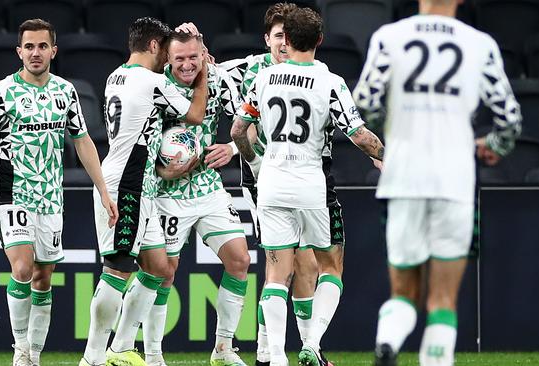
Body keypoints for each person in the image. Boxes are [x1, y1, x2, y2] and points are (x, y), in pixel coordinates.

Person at [351, 0, 522, 364]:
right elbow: (509, 119)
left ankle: (388, 341)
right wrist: (492, 145)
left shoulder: (389, 37)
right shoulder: (479, 43)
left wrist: (396, 127)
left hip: (403, 177)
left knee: (402, 294)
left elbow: (363, 101)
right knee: (443, 300)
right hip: (454, 179)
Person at [232, 7, 385, 366]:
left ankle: (276, 358)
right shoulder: (329, 81)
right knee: (330, 265)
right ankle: (312, 344)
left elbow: (239, 130)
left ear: (288, 39)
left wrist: (256, 162)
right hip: (311, 183)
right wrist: (384, 156)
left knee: (275, 272)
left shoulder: (265, 79)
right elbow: (359, 135)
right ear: (319, 40)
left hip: (271, 181)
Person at [0, 18, 118, 366]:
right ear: (19, 51)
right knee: (21, 269)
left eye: (42, 46)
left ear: (53, 50)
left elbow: (81, 140)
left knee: (42, 277)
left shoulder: (65, 92)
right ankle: (21, 351)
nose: (36, 53)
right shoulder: (2, 91)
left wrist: (104, 192)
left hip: (51, 196)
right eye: (29, 46)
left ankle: (34, 355)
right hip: (13, 190)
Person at [79, 17, 208, 366]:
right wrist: (204, 71)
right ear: (154, 46)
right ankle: (91, 358)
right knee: (118, 268)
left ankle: (120, 348)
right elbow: (196, 113)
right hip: (127, 183)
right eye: (166, 49)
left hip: (141, 184)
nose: (169, 56)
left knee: (158, 267)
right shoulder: (151, 81)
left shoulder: (116, 75)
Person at [217, 4, 327, 365]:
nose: (284, 42)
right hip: (265, 180)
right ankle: (267, 352)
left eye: (288, 36)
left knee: (307, 264)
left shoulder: (312, 72)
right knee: (280, 263)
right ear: (267, 39)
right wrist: (247, 155)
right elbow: (207, 67)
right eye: (278, 36)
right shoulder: (251, 70)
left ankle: (306, 348)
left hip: (306, 176)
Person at [140, 30, 251, 366]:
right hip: (168, 195)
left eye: (193, 57)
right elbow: (140, 141)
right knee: (164, 272)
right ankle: (154, 355)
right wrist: (163, 171)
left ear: (204, 54)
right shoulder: (156, 87)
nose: (187, 64)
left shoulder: (219, 80)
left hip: (207, 187)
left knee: (240, 261)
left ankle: (223, 349)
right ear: (167, 60)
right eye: (179, 59)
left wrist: (231, 148)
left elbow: (249, 121)